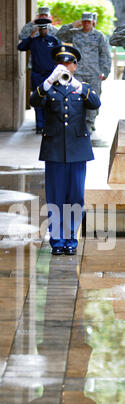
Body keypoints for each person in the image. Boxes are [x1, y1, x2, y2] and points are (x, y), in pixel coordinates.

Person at [30, 44, 101, 255]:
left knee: (76, 196)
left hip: (78, 150)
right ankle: (57, 240)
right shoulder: (49, 87)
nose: (64, 67)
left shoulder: (82, 87)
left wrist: (78, 85)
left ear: (75, 66)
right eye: (61, 63)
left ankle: (71, 239)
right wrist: (49, 80)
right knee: (56, 196)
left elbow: (95, 104)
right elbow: (34, 101)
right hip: (54, 150)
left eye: (68, 63)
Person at [56, 12, 111, 133]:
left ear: (93, 22)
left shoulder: (99, 36)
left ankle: (90, 123)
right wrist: (71, 25)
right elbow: (59, 35)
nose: (86, 24)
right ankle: (79, 122)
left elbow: (105, 55)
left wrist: (105, 71)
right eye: (84, 21)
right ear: (81, 21)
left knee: (93, 98)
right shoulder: (75, 34)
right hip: (78, 72)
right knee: (76, 98)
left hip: (94, 73)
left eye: (88, 21)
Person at [17, 19, 60, 134]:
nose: (43, 31)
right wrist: (31, 35)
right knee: (38, 100)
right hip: (37, 75)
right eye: (41, 29)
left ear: (48, 29)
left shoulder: (53, 40)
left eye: (44, 28)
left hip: (50, 75)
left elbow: (60, 54)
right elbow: (20, 47)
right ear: (38, 30)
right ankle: (39, 126)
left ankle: (49, 125)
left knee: (51, 99)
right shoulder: (33, 41)